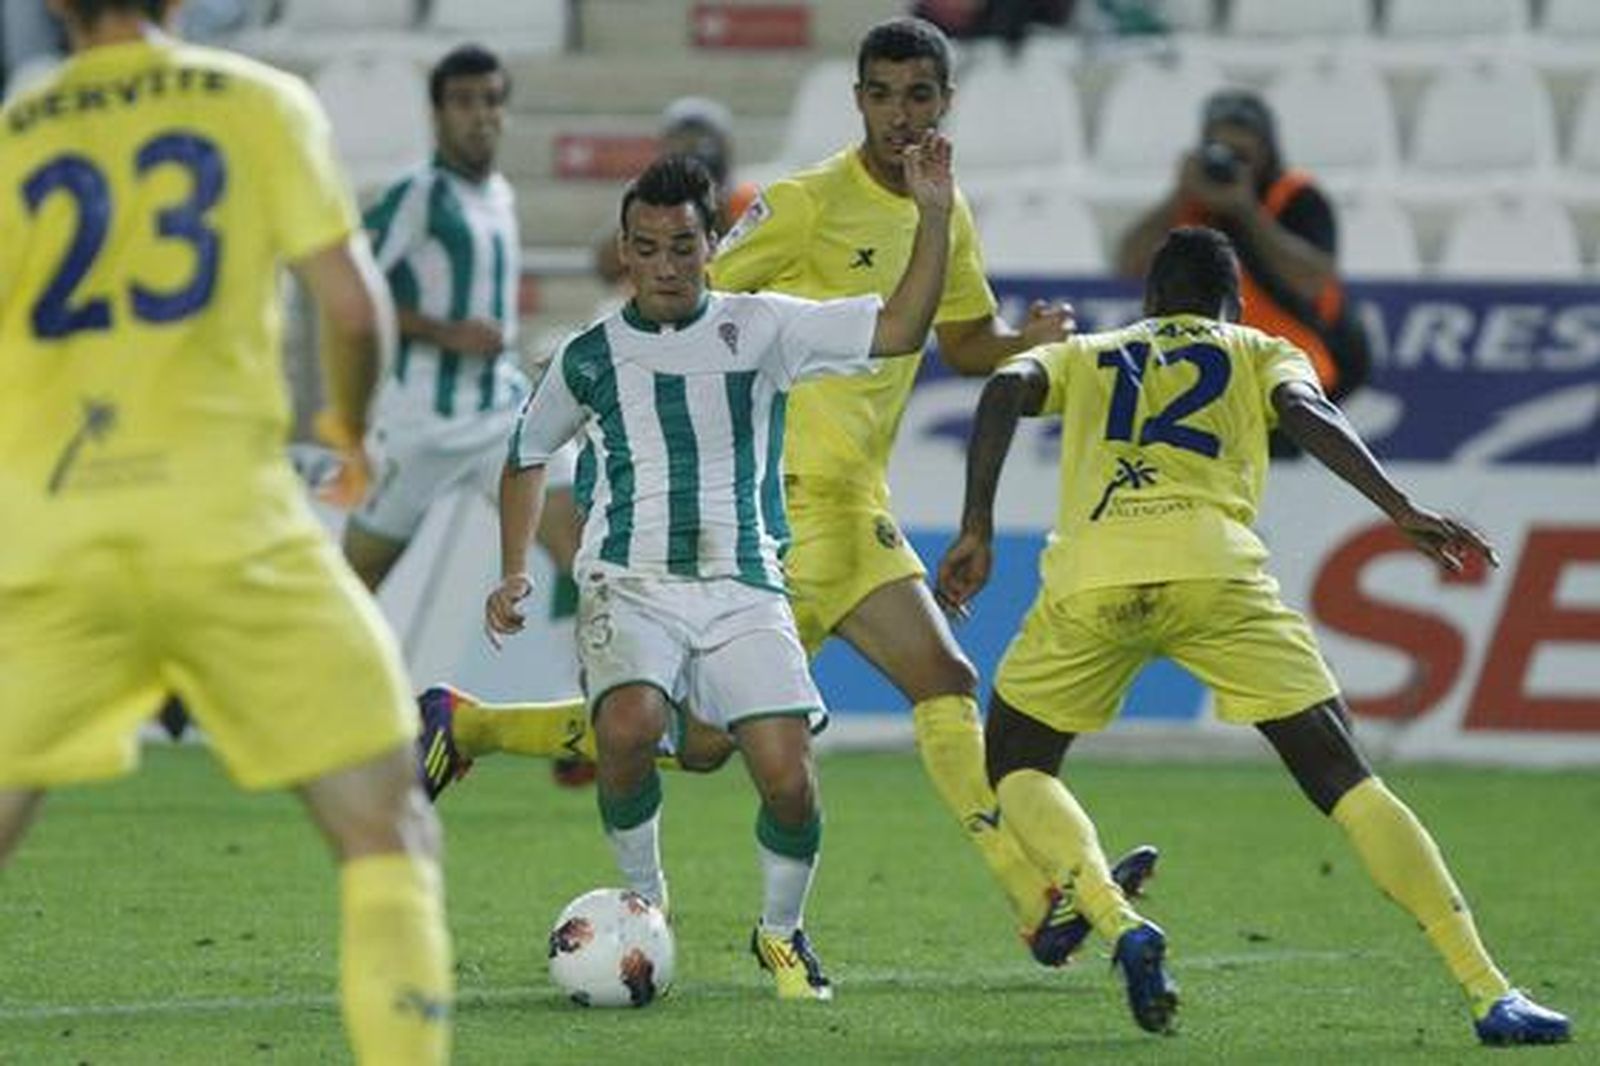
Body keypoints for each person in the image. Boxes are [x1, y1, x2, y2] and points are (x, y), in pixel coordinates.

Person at [416, 14, 1158, 968]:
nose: (900, 115)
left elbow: (957, 338)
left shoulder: (946, 208)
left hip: (855, 504)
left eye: (918, 96)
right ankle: (474, 722)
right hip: (776, 504)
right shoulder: (805, 206)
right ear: (857, 101)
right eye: (882, 95)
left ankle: (1034, 896)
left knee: (936, 682)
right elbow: (694, 302)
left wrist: (1023, 341)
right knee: (711, 741)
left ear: (945, 103)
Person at [935, 225, 1571, 1045]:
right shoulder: (1260, 348)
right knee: (1344, 777)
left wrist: (977, 525)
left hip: (1095, 579)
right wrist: (1400, 508)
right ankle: (1489, 993)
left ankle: (1117, 919)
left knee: (1016, 763)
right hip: (1217, 576)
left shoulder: (1092, 351)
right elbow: (1307, 413)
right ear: (1233, 301)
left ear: (1153, 301)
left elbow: (1002, 386)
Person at [0, 2, 452, 1063]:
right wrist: (345, 427)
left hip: (56, 540)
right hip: (232, 529)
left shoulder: (16, 134)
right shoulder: (257, 102)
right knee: (386, 829)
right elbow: (351, 309)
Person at [483, 146, 957, 1001]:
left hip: (742, 582)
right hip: (629, 580)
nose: (665, 265)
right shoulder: (589, 356)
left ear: (710, 245)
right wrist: (516, 568)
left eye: (682, 246)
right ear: (624, 251)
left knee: (786, 777)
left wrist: (932, 213)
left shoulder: (764, 325)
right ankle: (646, 899)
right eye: (646, 247)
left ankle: (780, 933)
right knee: (628, 726)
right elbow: (524, 453)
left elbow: (901, 328)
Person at [337, 44, 533, 591]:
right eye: (463, 101)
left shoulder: (501, 193)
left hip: (501, 411)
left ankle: (599, 670)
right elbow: (354, 292)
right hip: (421, 422)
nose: (480, 114)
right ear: (438, 113)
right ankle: (302, 672)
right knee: (355, 581)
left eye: (491, 100)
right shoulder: (415, 195)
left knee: (580, 540)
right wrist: (447, 334)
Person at [1116, 89, 1369, 406]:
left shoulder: (1296, 197)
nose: (1231, 164)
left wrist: (1247, 210)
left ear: (1267, 151)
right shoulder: (1191, 202)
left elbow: (1312, 280)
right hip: (1207, 371)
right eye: (1221, 151)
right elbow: (1127, 265)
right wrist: (1178, 197)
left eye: (1242, 155)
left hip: (1288, 366)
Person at [592, 95, 759, 287]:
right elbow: (607, 265)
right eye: (684, 141)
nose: (696, 151)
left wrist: (715, 211)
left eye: (703, 141)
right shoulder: (649, 200)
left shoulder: (746, 198)